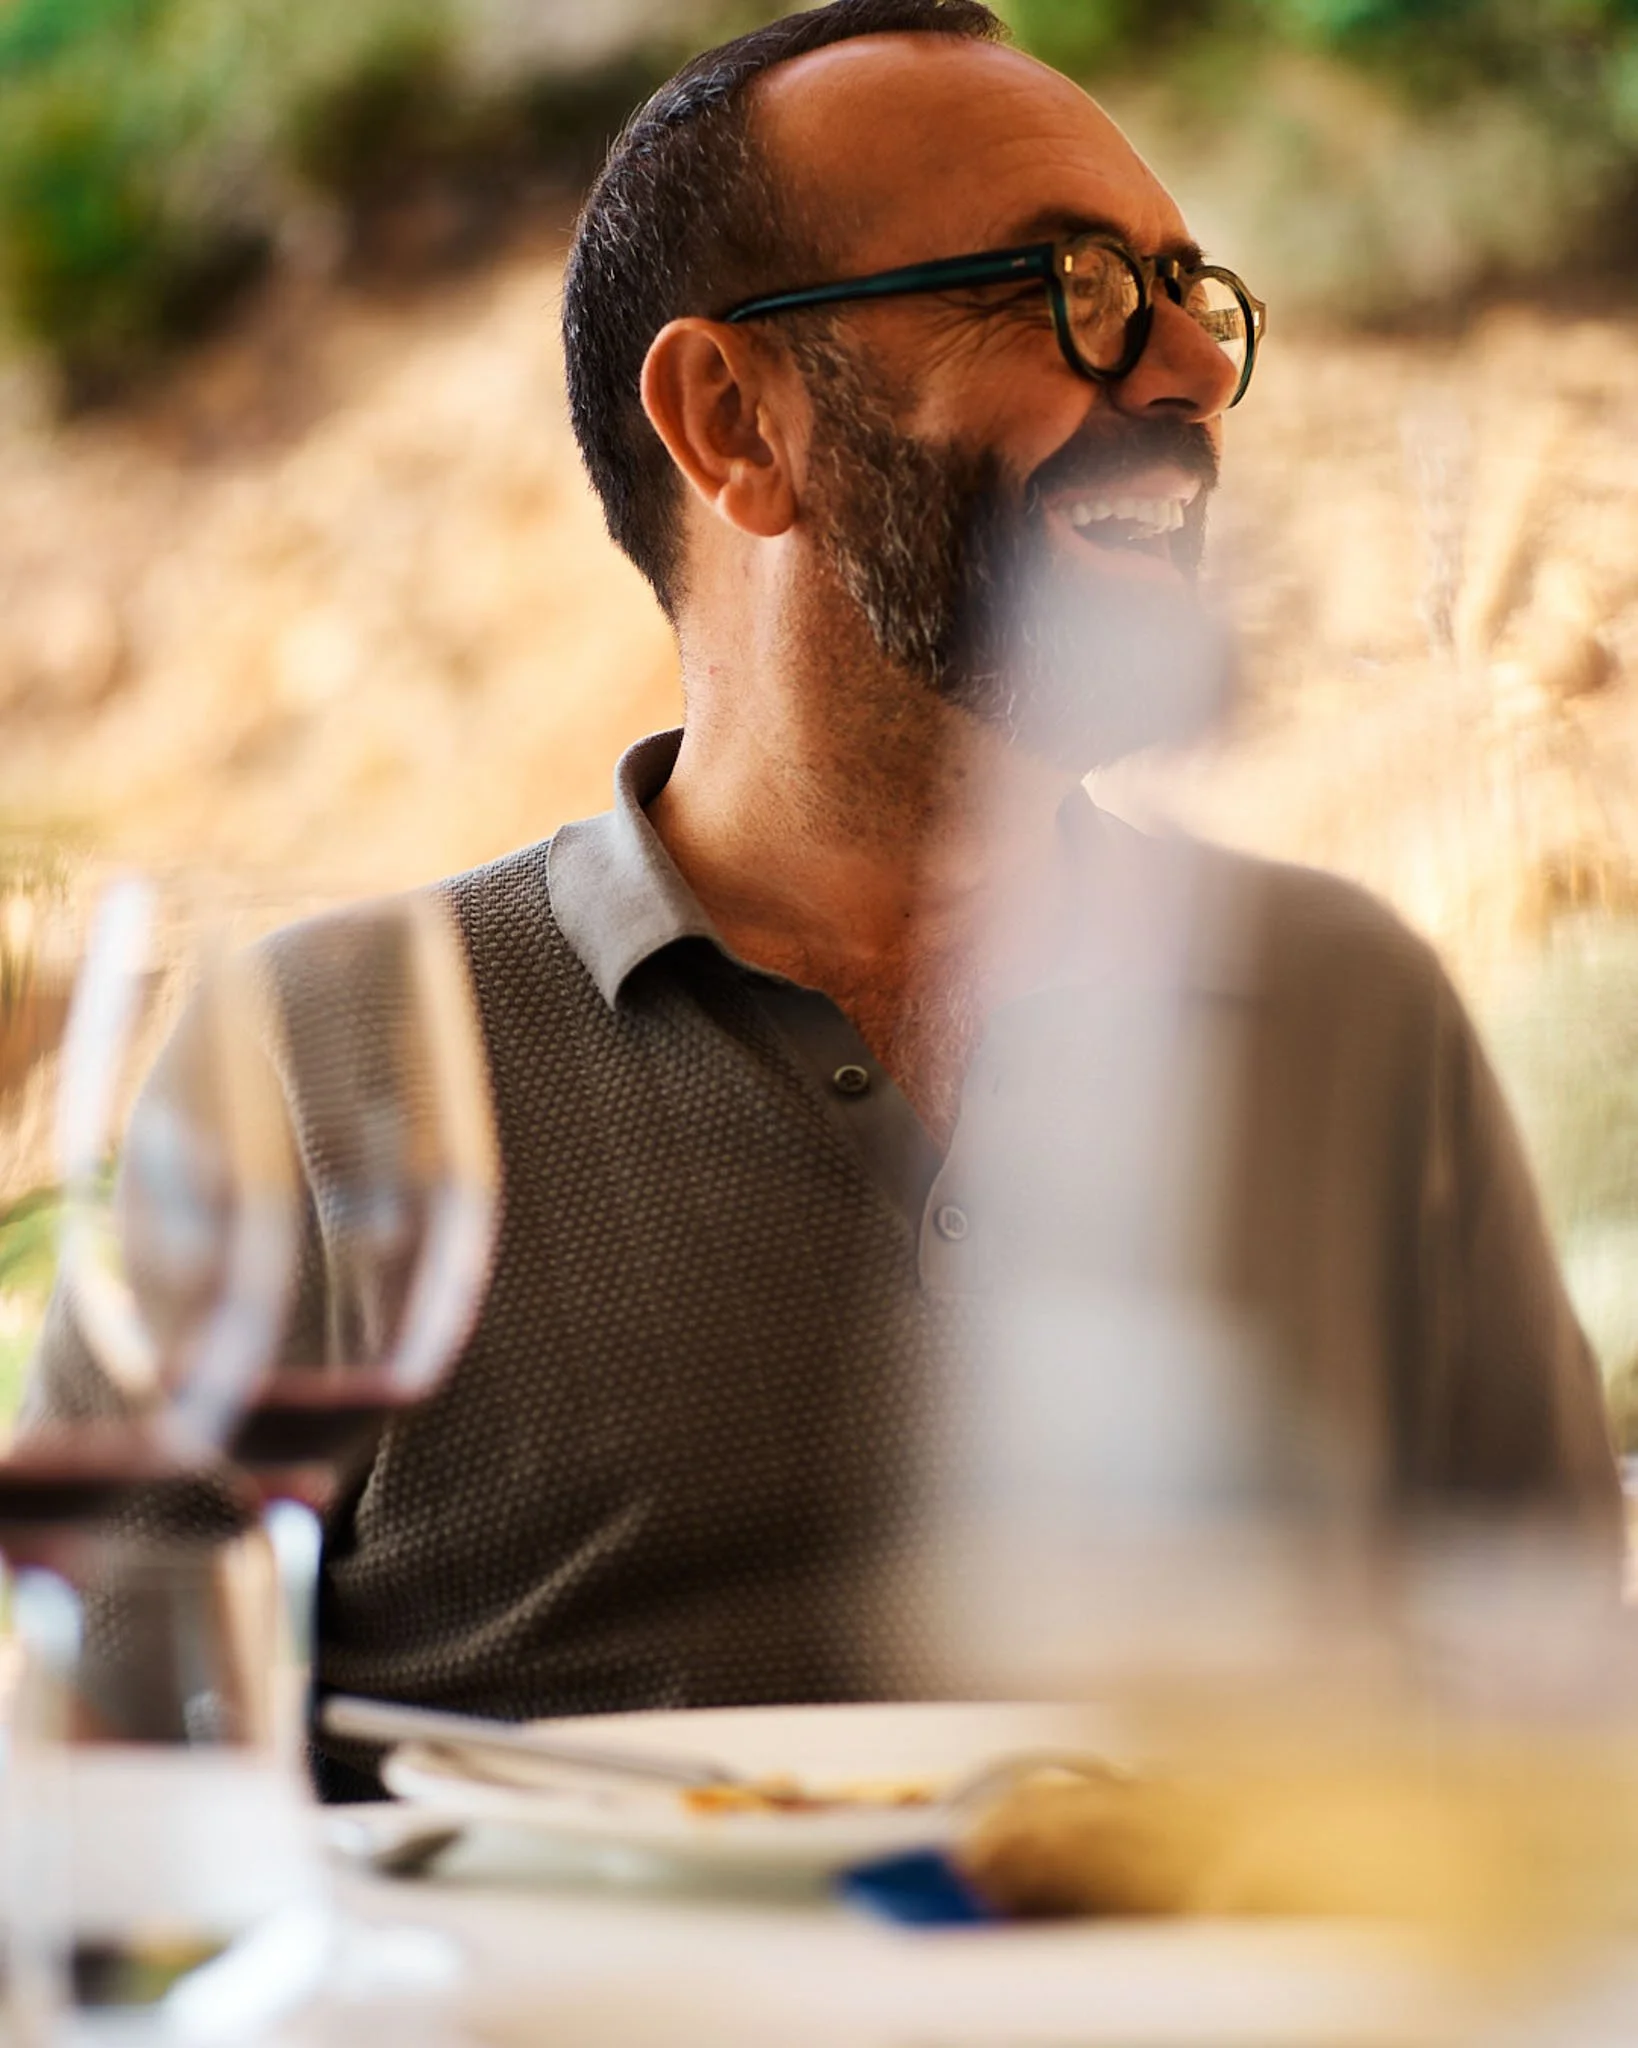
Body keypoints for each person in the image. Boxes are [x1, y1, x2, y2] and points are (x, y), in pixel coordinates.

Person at [28, 0, 1622, 1798]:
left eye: (1191, 292)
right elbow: (86, 1763)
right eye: (1071, 287)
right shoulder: (318, 1058)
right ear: (733, 421)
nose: (1181, 366)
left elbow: (1558, 1743)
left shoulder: (1349, 1007)